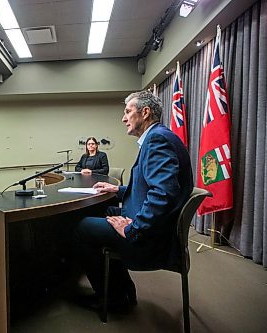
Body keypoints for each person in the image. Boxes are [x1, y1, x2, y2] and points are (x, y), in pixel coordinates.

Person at [73, 91, 194, 310]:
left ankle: (113, 298)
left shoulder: (157, 140)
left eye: (128, 111)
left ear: (145, 112)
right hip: (151, 225)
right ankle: (123, 290)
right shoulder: (159, 135)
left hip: (150, 238)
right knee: (102, 212)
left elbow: (163, 194)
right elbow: (149, 187)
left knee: (80, 227)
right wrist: (117, 189)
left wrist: (132, 229)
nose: (123, 118)